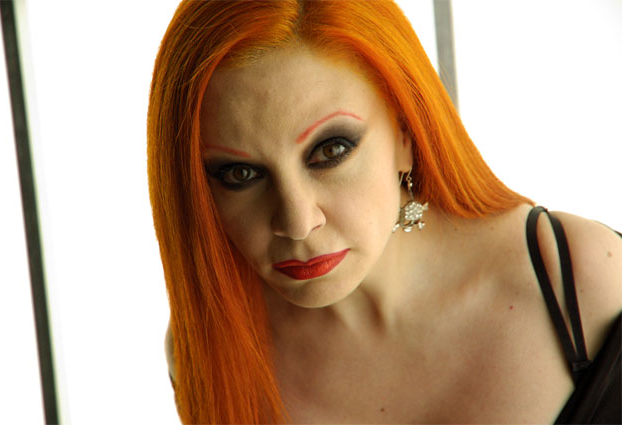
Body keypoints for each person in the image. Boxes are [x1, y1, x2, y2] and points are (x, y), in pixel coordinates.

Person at [147, 1, 621, 423]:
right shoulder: (209, 345)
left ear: (405, 131)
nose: (297, 222)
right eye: (240, 174)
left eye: (331, 150)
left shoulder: (581, 281)